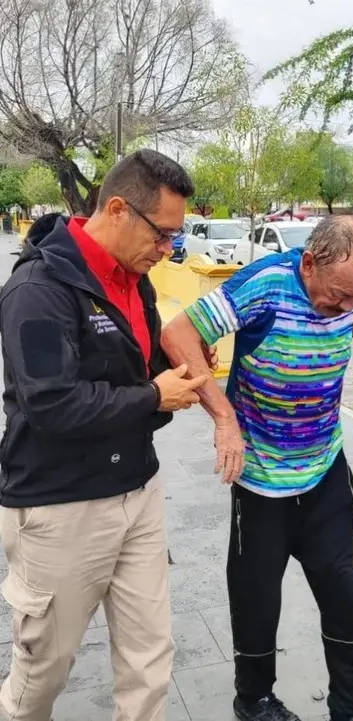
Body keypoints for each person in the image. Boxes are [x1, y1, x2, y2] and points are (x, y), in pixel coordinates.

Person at [158, 215, 353, 721]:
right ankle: (255, 701)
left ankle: (350, 710)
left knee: (342, 597)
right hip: (261, 480)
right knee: (257, 601)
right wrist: (224, 418)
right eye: (337, 295)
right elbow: (178, 333)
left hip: (324, 471)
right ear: (308, 263)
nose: (346, 308)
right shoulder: (265, 285)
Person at [0, 150, 208, 720]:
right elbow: (51, 405)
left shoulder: (134, 282)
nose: (169, 248)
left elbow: (132, 374)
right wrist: (153, 396)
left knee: (150, 657)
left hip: (137, 491)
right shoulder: (37, 291)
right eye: (163, 233)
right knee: (45, 668)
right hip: (60, 506)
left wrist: (175, 371)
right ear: (117, 209)